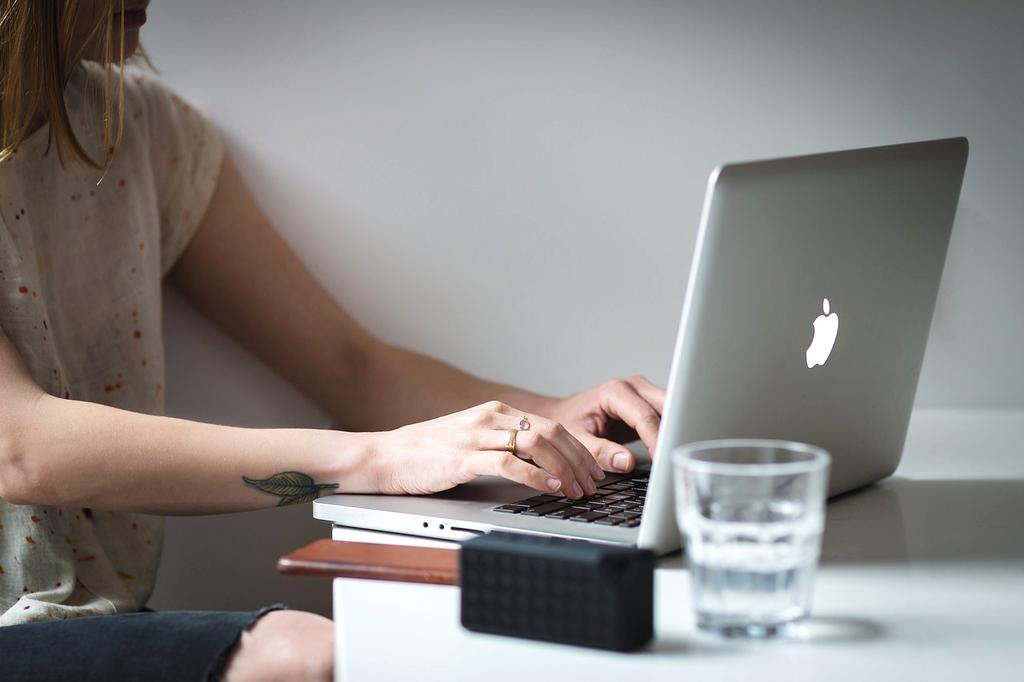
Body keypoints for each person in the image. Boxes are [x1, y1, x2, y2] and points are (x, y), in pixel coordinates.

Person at [0, 1, 665, 680]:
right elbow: (20, 448)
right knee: (311, 656)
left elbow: (351, 368)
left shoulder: (147, 130)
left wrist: (549, 418)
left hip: (90, 619)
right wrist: (376, 459)